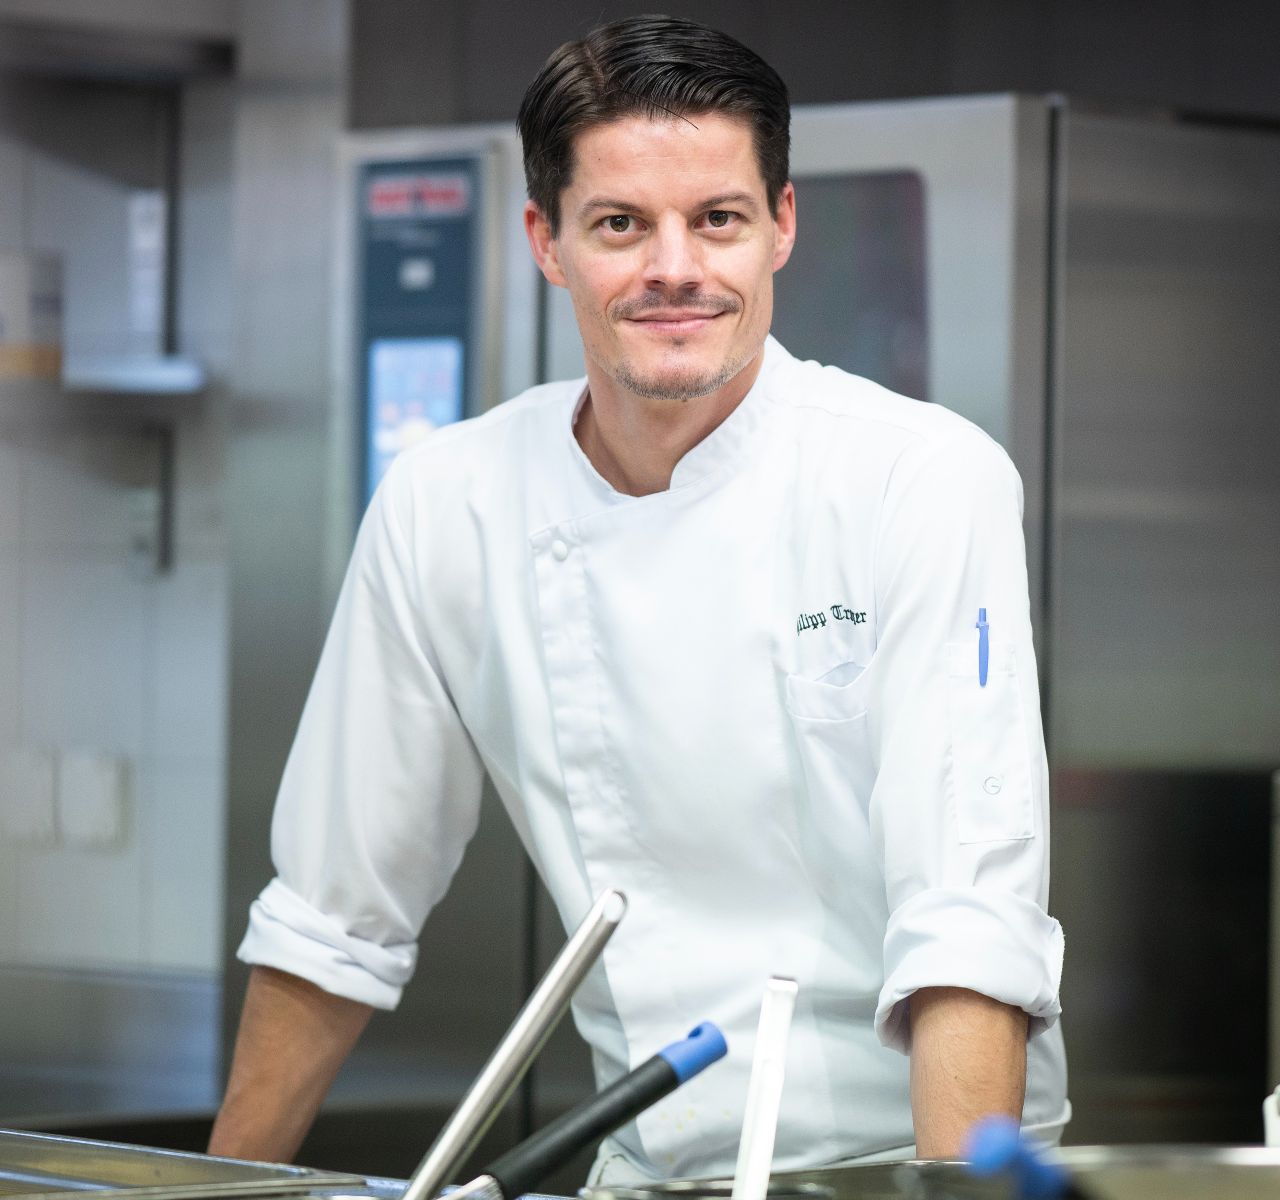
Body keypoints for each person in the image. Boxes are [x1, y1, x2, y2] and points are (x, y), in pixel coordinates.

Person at [208, 14, 1068, 1183]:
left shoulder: (917, 477)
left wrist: (945, 1195)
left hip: (903, 1166)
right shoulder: (446, 503)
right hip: (652, 1167)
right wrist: (214, 1187)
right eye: (620, 223)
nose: (674, 268)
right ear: (546, 242)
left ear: (780, 226)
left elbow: (965, 917)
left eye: (716, 219)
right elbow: (330, 915)